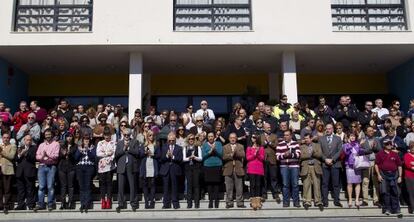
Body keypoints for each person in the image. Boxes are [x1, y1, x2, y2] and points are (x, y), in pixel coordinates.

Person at [375, 138, 403, 217]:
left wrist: (400, 176)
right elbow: (376, 165)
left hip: (394, 175)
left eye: (390, 144)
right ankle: (387, 209)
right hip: (384, 175)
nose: (389, 145)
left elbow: (399, 166)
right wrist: (378, 175)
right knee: (385, 193)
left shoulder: (395, 154)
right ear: (384, 145)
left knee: (395, 192)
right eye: (387, 144)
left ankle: (396, 209)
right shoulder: (380, 154)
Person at [34, 129, 60, 212]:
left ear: (52, 135)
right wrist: (43, 157)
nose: (47, 136)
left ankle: (50, 204)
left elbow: (56, 156)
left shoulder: (56, 144)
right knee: (41, 187)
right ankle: (41, 204)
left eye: (49, 134)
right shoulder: (41, 145)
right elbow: (37, 156)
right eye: (46, 134)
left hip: (51, 166)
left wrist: (47, 155)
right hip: (41, 166)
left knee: (50, 186)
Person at [115, 128, 140, 212]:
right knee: (120, 186)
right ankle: (121, 203)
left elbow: (137, 153)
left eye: (128, 135)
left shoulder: (135, 142)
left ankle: (133, 203)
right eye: (125, 135)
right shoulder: (119, 143)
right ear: (123, 134)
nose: (126, 136)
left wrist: (129, 149)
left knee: (132, 186)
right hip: (121, 166)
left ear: (130, 135)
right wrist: (123, 150)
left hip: (131, 166)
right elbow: (116, 155)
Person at [276, 130, 301, 208]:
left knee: (295, 185)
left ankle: (296, 202)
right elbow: (277, 157)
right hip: (284, 167)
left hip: (294, 167)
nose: (285, 137)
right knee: (285, 185)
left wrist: (291, 154)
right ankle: (286, 202)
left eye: (287, 135)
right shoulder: (280, 144)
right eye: (284, 135)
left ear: (291, 136)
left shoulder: (295, 143)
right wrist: (284, 155)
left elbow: (298, 155)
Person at [320, 123, 344, 208]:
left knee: (336, 184)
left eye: (329, 128)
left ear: (333, 129)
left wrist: (332, 159)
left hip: (335, 164)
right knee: (324, 183)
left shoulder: (338, 139)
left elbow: (340, 151)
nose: (328, 130)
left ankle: (336, 201)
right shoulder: (321, 139)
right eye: (326, 128)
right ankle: (325, 201)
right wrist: (325, 159)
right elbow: (320, 151)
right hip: (325, 164)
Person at [159, 132, 183, 209]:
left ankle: (175, 203)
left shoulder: (179, 148)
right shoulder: (164, 147)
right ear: (167, 140)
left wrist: (172, 156)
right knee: (166, 187)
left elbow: (180, 159)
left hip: (174, 169)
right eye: (170, 140)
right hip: (166, 169)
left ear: (175, 140)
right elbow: (161, 159)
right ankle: (166, 204)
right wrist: (166, 156)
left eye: (173, 140)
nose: (171, 142)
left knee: (174, 187)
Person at [300, 133, 323, 211]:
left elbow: (320, 154)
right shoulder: (302, 146)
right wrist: (310, 154)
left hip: (315, 166)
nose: (306, 140)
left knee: (317, 184)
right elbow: (301, 156)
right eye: (305, 138)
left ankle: (318, 201)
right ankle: (307, 201)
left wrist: (311, 154)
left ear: (311, 138)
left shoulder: (317, 145)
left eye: (307, 138)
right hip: (306, 167)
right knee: (306, 185)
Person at [360, 126, 382, 207]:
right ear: (366, 132)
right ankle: (365, 200)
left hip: (375, 163)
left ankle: (376, 200)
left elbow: (380, 150)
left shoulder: (376, 139)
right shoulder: (363, 140)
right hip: (366, 162)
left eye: (372, 131)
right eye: (369, 131)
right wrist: (370, 149)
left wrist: (375, 147)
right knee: (365, 181)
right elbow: (360, 151)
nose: (371, 132)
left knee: (375, 182)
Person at [223, 133, 246, 208]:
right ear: (229, 139)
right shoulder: (225, 147)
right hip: (228, 169)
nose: (232, 139)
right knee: (229, 188)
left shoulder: (240, 146)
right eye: (231, 138)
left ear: (236, 138)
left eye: (234, 138)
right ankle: (229, 202)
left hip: (238, 168)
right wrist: (230, 155)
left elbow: (243, 155)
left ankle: (240, 202)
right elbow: (224, 157)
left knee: (239, 187)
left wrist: (235, 153)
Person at [14, 135, 37, 211]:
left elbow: (34, 158)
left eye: (30, 140)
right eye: (27, 140)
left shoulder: (34, 148)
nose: (28, 141)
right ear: (24, 140)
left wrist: (26, 154)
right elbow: (16, 159)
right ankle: (21, 205)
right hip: (20, 172)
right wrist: (19, 154)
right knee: (21, 190)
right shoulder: (20, 148)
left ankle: (30, 204)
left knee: (30, 189)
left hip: (29, 171)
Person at [74, 135, 96, 213]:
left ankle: (87, 203)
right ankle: (82, 203)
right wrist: (80, 151)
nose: (86, 141)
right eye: (85, 140)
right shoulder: (79, 148)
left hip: (89, 167)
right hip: (80, 167)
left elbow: (93, 157)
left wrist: (87, 150)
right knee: (81, 186)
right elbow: (76, 157)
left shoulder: (93, 147)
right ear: (82, 140)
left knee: (87, 185)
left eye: (87, 140)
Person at [96, 127, 116, 209]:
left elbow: (114, 154)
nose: (107, 137)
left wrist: (105, 153)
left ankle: (108, 201)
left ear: (110, 135)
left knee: (109, 184)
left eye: (108, 135)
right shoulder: (100, 143)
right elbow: (98, 153)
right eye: (105, 135)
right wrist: (108, 153)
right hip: (101, 167)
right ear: (103, 135)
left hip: (110, 166)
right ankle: (103, 200)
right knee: (102, 184)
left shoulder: (113, 143)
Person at [202, 132, 223, 208]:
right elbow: (203, 156)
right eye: (209, 136)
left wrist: (215, 150)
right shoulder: (204, 145)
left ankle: (216, 202)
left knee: (216, 184)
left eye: (212, 136)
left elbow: (221, 154)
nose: (210, 138)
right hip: (208, 166)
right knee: (209, 185)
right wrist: (210, 151)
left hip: (217, 165)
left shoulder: (218, 144)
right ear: (207, 137)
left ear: (214, 137)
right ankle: (210, 202)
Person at [343, 131, 364, 209]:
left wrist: (361, 146)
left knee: (358, 183)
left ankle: (357, 199)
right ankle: (350, 199)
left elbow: (362, 153)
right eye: (351, 136)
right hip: (349, 165)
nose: (352, 137)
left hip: (357, 165)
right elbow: (346, 152)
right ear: (348, 137)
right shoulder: (345, 145)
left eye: (353, 136)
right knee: (349, 183)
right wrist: (349, 144)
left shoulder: (358, 144)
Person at [139, 130, 159, 209]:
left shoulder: (156, 145)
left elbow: (159, 156)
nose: (151, 137)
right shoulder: (143, 145)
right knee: (145, 185)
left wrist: (153, 154)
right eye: (150, 135)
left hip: (153, 166)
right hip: (145, 167)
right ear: (147, 136)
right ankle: (146, 202)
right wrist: (145, 153)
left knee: (152, 184)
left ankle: (151, 201)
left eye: (152, 135)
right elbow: (139, 155)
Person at [260, 123, 280, 201]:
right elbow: (259, 145)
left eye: (270, 127)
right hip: (263, 160)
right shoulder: (260, 136)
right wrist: (265, 143)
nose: (269, 128)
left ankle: (275, 193)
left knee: (274, 177)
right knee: (264, 178)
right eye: (267, 127)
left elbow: (277, 146)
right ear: (264, 128)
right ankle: (264, 193)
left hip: (272, 159)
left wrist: (270, 142)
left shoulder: (274, 136)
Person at [182, 133, 203, 209]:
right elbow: (184, 159)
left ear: (194, 139)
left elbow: (201, 158)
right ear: (188, 140)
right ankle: (189, 203)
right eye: (190, 139)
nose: (191, 140)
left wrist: (195, 157)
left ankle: (197, 203)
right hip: (188, 168)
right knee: (189, 186)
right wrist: (190, 158)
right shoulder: (185, 148)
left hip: (196, 168)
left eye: (192, 139)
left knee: (196, 185)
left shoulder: (198, 147)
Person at [58, 133, 77, 210]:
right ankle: (63, 203)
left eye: (70, 136)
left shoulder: (75, 146)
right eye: (68, 137)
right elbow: (59, 155)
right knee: (63, 186)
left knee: (71, 186)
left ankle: (70, 202)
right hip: (62, 167)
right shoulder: (62, 146)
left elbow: (76, 156)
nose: (69, 138)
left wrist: (69, 153)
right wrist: (63, 154)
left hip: (71, 167)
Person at [246, 134, 265, 209]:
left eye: (254, 137)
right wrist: (254, 154)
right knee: (252, 184)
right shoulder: (249, 148)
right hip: (251, 168)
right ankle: (253, 202)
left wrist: (258, 154)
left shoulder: (261, 148)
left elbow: (262, 158)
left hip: (259, 168)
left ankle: (258, 201)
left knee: (258, 185)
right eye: (252, 137)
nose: (253, 138)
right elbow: (247, 158)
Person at [0, 132, 17, 214]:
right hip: (0, 169)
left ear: (9, 138)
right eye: (4, 137)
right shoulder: (0, 146)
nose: (5, 139)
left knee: (7, 189)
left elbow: (11, 156)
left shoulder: (13, 146)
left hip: (8, 170)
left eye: (7, 137)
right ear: (2, 138)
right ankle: (0, 205)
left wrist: (1, 152)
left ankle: (7, 206)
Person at [403, 141, 414, 214]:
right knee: (411, 193)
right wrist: (412, 165)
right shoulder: (406, 155)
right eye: (411, 147)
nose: (413, 149)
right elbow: (407, 164)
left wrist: (412, 164)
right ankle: (412, 208)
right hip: (409, 176)